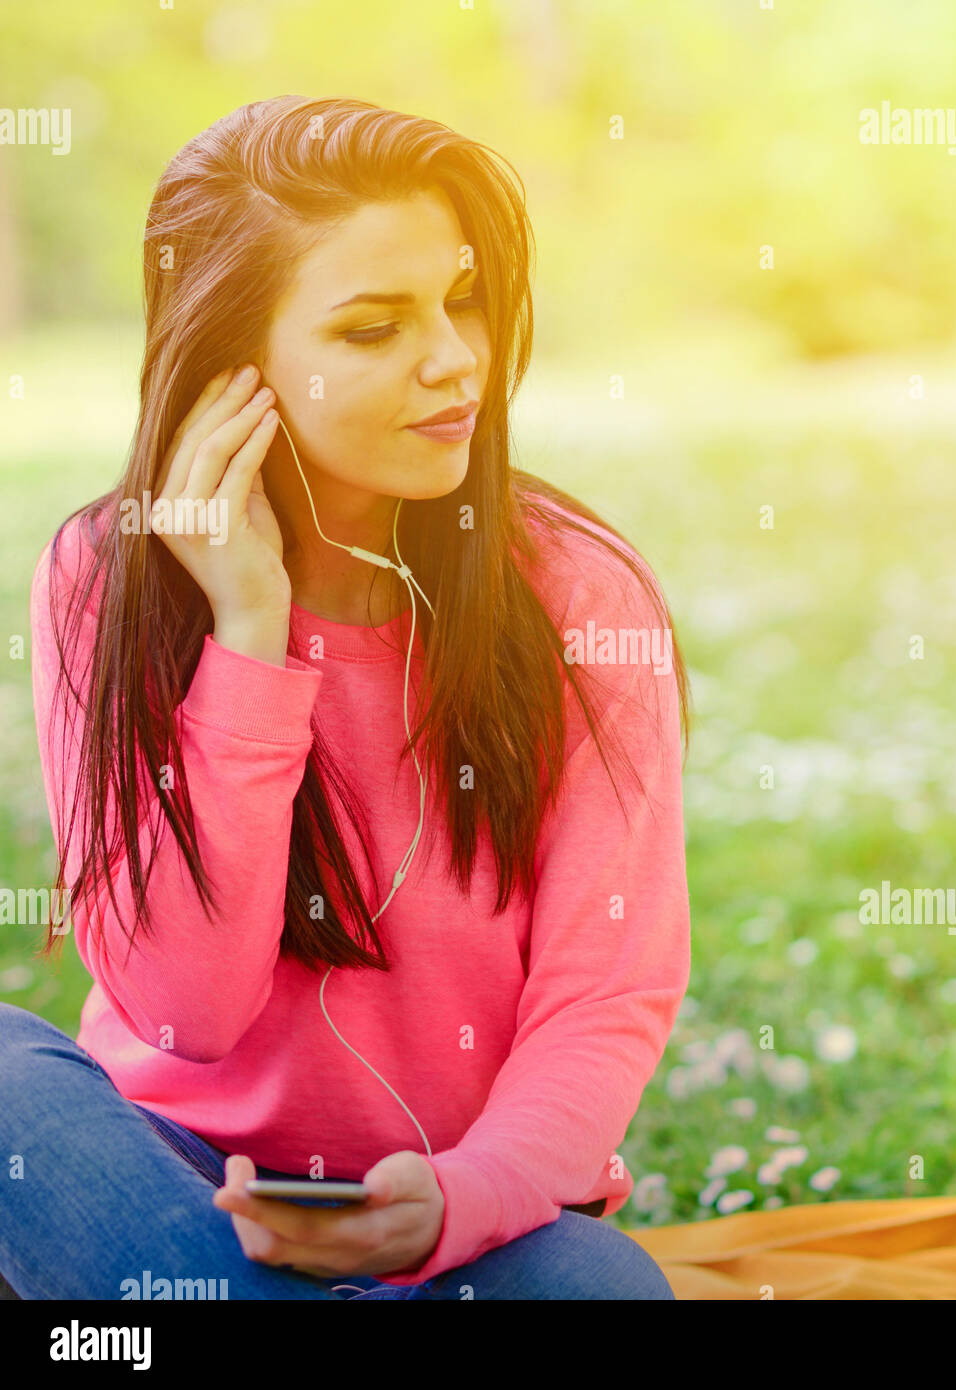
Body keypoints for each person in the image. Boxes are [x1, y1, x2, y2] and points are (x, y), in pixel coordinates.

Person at [0, 96, 690, 1300]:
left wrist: (460, 1200)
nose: (454, 360)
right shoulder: (101, 582)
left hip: (475, 1207)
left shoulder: (580, 590)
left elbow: (605, 990)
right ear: (230, 370)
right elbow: (184, 1018)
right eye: (374, 328)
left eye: (460, 300)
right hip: (179, 1178)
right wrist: (250, 637)